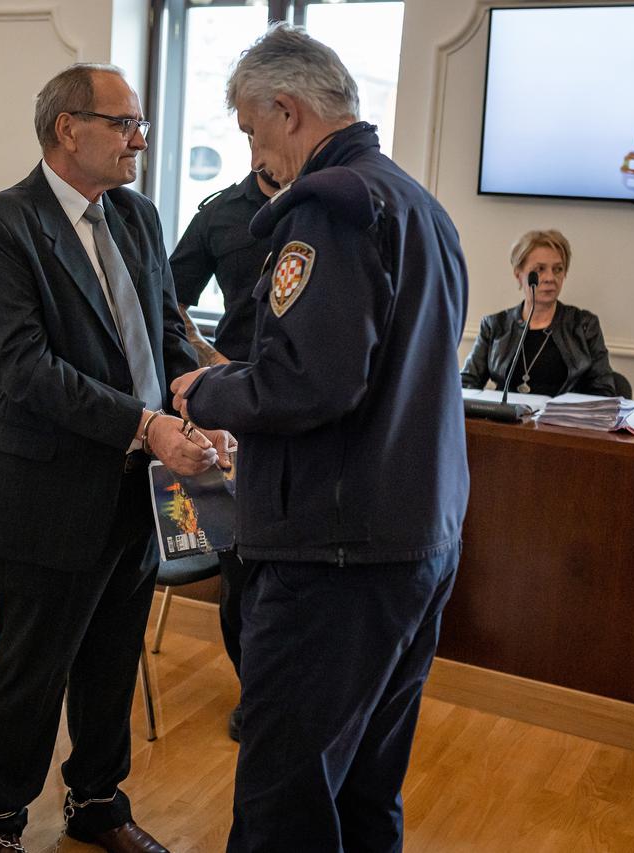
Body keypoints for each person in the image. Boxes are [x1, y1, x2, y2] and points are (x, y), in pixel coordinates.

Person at [170, 24, 470, 852]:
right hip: (415, 535)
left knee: (285, 800)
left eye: (250, 128)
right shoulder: (416, 203)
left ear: (287, 109)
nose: (254, 151)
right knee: (367, 787)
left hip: (335, 549)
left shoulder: (328, 209)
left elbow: (309, 381)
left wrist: (211, 388)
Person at [0, 63, 230, 853]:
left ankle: (97, 804)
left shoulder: (137, 215)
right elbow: (26, 369)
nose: (141, 138)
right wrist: (145, 424)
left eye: (140, 124)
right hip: (46, 490)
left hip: (141, 487)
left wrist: (210, 395)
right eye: (125, 124)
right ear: (67, 128)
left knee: (112, 657)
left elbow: (165, 329)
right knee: (33, 672)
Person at [168, 168, 277, 742]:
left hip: (305, 418)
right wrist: (212, 361)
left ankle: (291, 696)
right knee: (239, 569)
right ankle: (253, 696)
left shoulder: (329, 206)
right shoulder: (219, 212)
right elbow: (167, 298)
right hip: (236, 410)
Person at [459, 229, 617, 398]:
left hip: (563, 422)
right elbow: (466, 384)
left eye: (558, 269)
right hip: (506, 422)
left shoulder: (583, 325)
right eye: (540, 269)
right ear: (519, 275)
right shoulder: (495, 325)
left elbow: (603, 392)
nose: (550, 278)